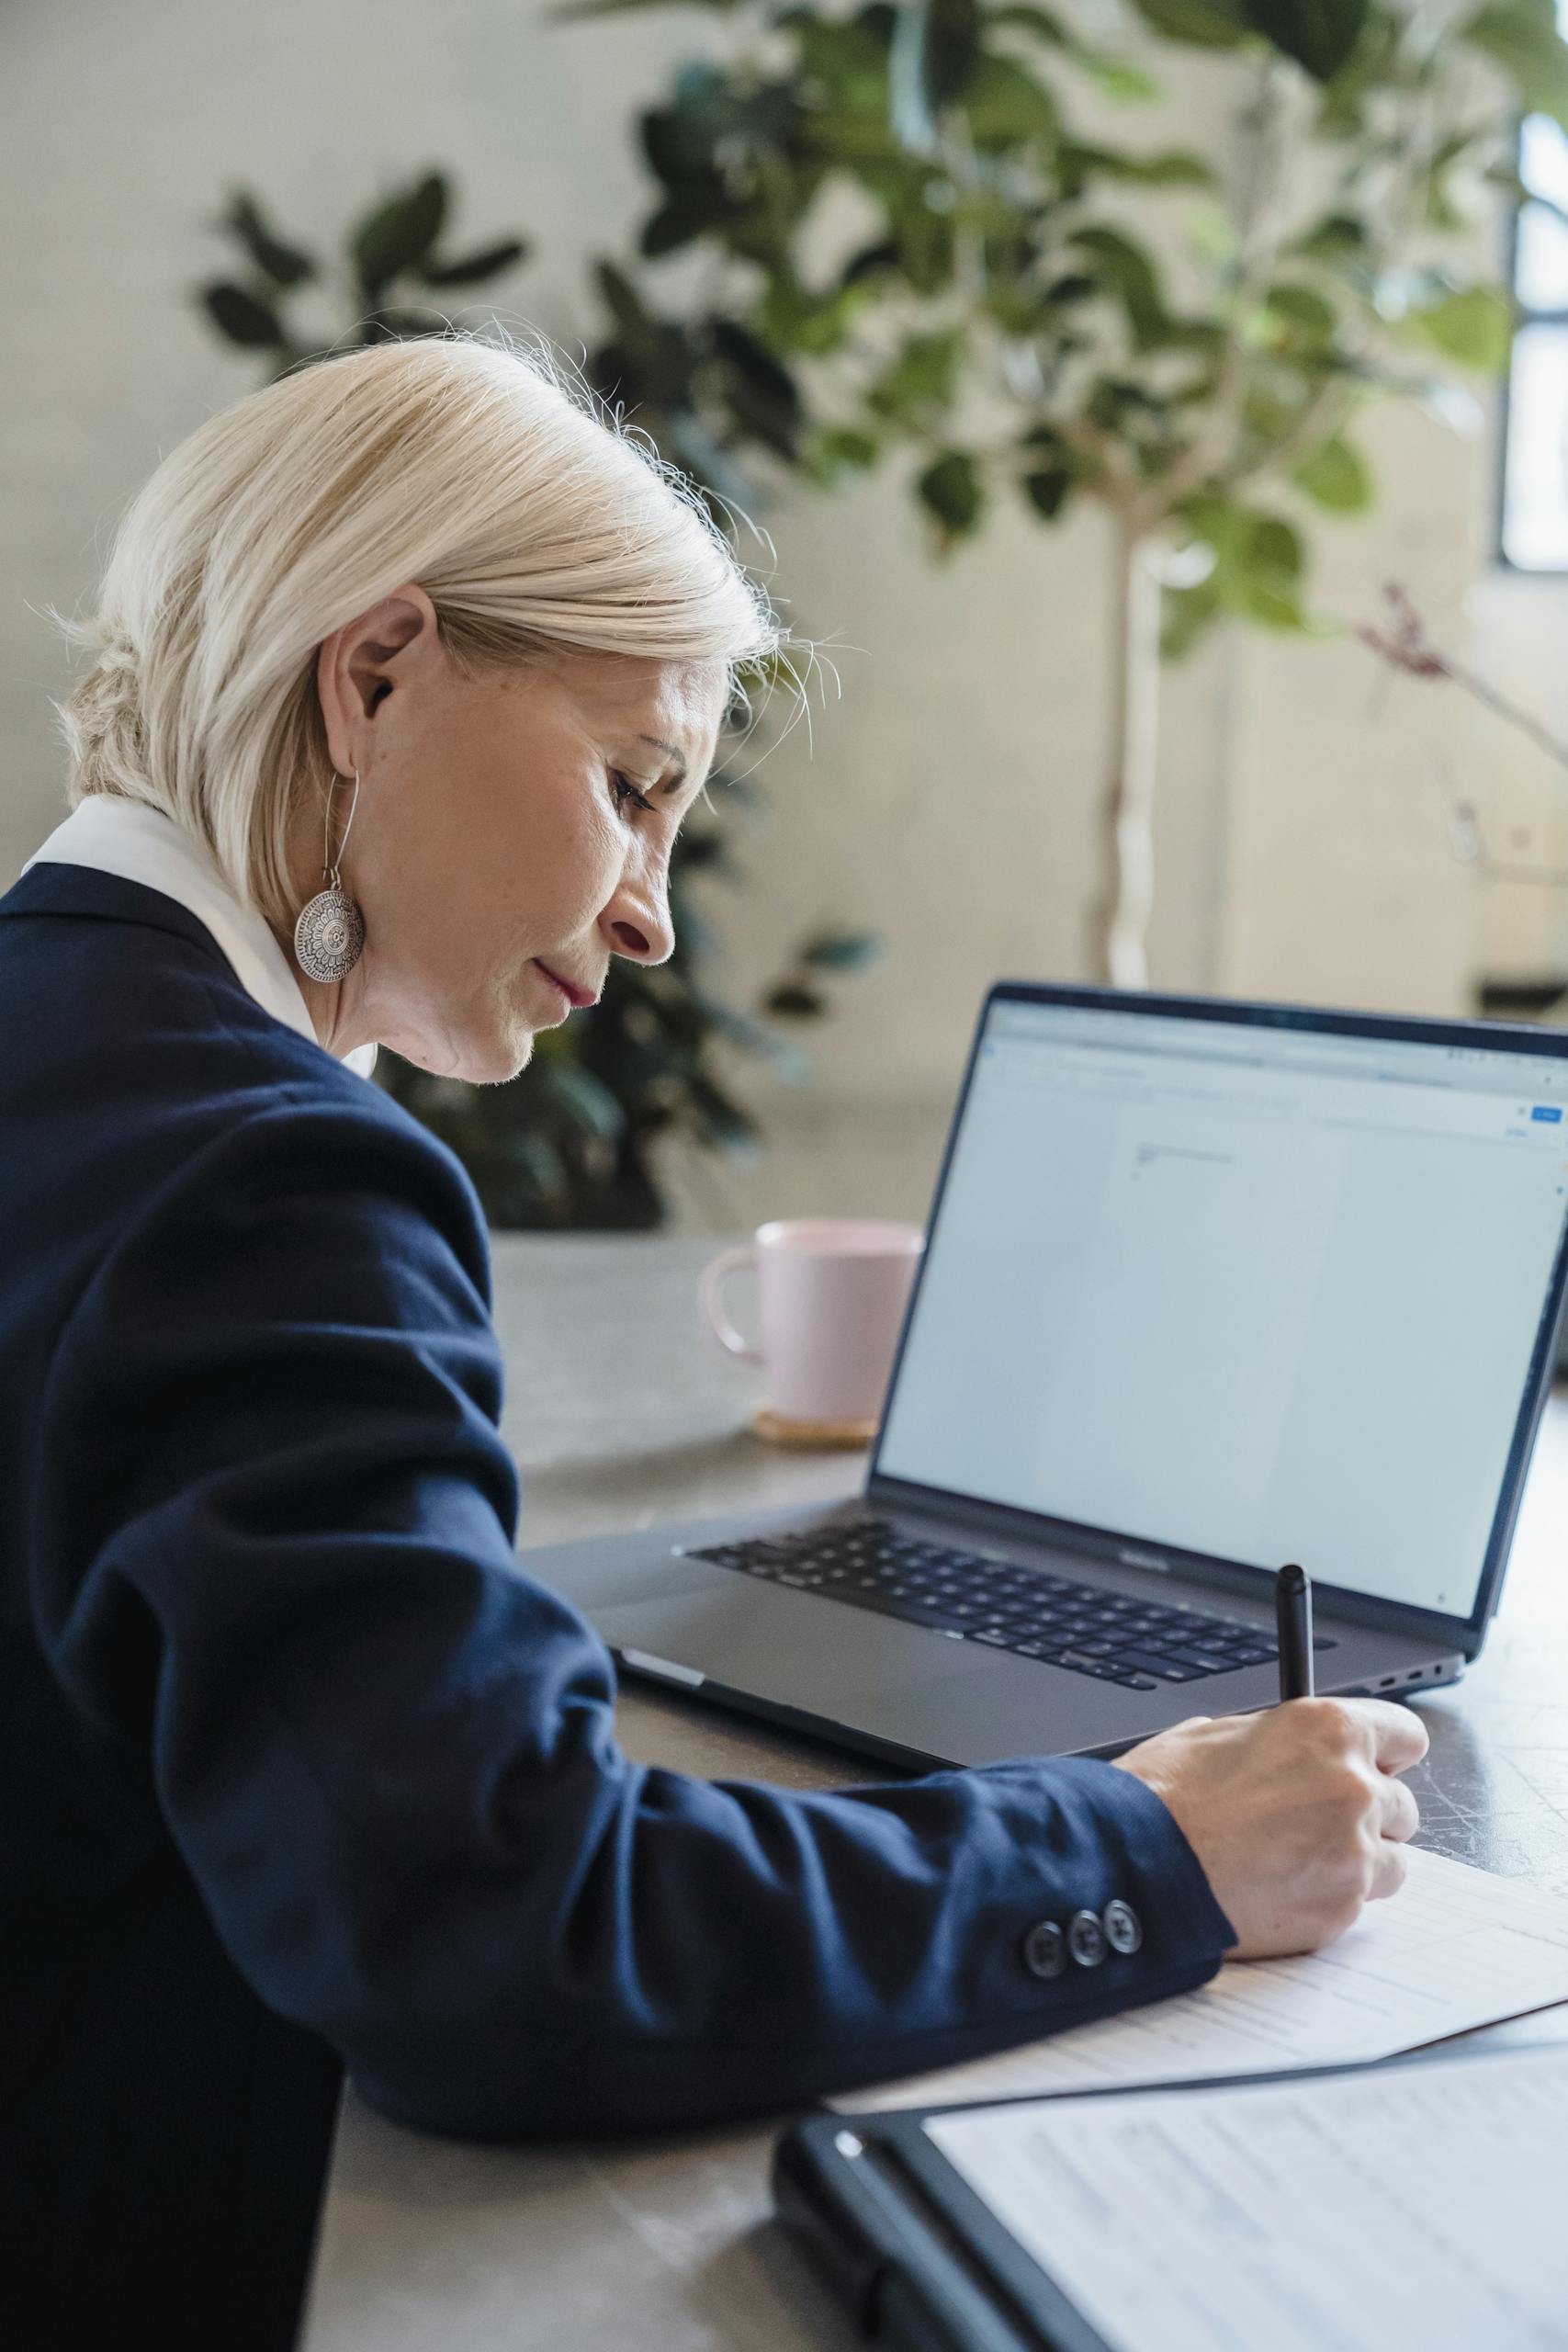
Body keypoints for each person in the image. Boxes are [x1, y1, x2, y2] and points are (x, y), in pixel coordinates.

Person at [0, 332, 1427, 2348]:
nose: (655, 910)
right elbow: (512, 1939)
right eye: (630, 782)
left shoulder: (58, 1033)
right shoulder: (264, 1185)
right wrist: (1151, 1841)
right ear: (377, 672)